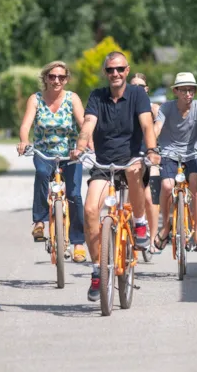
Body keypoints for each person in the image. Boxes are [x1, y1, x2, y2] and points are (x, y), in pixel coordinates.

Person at [71, 52, 160, 301]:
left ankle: (140, 221)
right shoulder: (97, 97)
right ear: (105, 72)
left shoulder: (138, 95)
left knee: (134, 171)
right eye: (110, 70)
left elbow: (146, 125)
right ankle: (98, 269)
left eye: (119, 69)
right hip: (103, 163)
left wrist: (151, 150)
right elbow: (88, 124)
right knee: (90, 210)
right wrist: (80, 146)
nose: (115, 74)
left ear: (127, 70)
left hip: (130, 159)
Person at [17, 61, 88, 263]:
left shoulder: (72, 98)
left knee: (74, 194)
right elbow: (26, 125)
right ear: (45, 78)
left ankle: (78, 244)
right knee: (41, 174)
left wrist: (85, 145)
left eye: (61, 77)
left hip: (70, 154)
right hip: (44, 153)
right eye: (52, 76)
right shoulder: (36, 99)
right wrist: (24, 141)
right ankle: (39, 221)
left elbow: (84, 124)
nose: (56, 80)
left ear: (66, 79)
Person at [153, 72, 197, 253]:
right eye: (184, 90)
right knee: (167, 186)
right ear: (176, 91)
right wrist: (151, 148)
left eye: (191, 90)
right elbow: (157, 128)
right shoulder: (166, 108)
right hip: (169, 153)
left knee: (196, 184)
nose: (188, 94)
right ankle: (166, 228)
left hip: (194, 152)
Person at [128, 73, 162, 252]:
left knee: (150, 198)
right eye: (134, 86)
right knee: (130, 198)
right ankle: (130, 235)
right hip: (132, 157)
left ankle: (153, 238)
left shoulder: (153, 108)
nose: (138, 89)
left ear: (147, 89)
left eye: (141, 86)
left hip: (149, 156)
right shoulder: (126, 107)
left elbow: (156, 133)